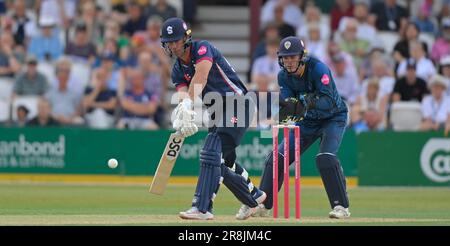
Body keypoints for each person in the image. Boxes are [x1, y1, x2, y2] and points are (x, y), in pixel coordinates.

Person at [160, 17, 266, 220]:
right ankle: (254, 197)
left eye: (176, 40)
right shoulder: (177, 70)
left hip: (238, 103)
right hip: (217, 112)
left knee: (211, 151)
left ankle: (202, 208)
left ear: (186, 38)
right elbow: (183, 96)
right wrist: (182, 118)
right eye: (169, 42)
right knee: (223, 162)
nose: (173, 45)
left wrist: (188, 105)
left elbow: (201, 76)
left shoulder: (202, 48)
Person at [252, 36, 351, 219]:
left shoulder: (318, 68)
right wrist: (286, 111)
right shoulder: (283, 76)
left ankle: (341, 207)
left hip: (333, 118)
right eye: (285, 57)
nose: (289, 62)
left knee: (325, 158)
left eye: (293, 57)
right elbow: (291, 104)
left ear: (302, 56)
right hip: (307, 122)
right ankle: (264, 205)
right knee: (276, 158)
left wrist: (304, 102)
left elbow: (327, 101)